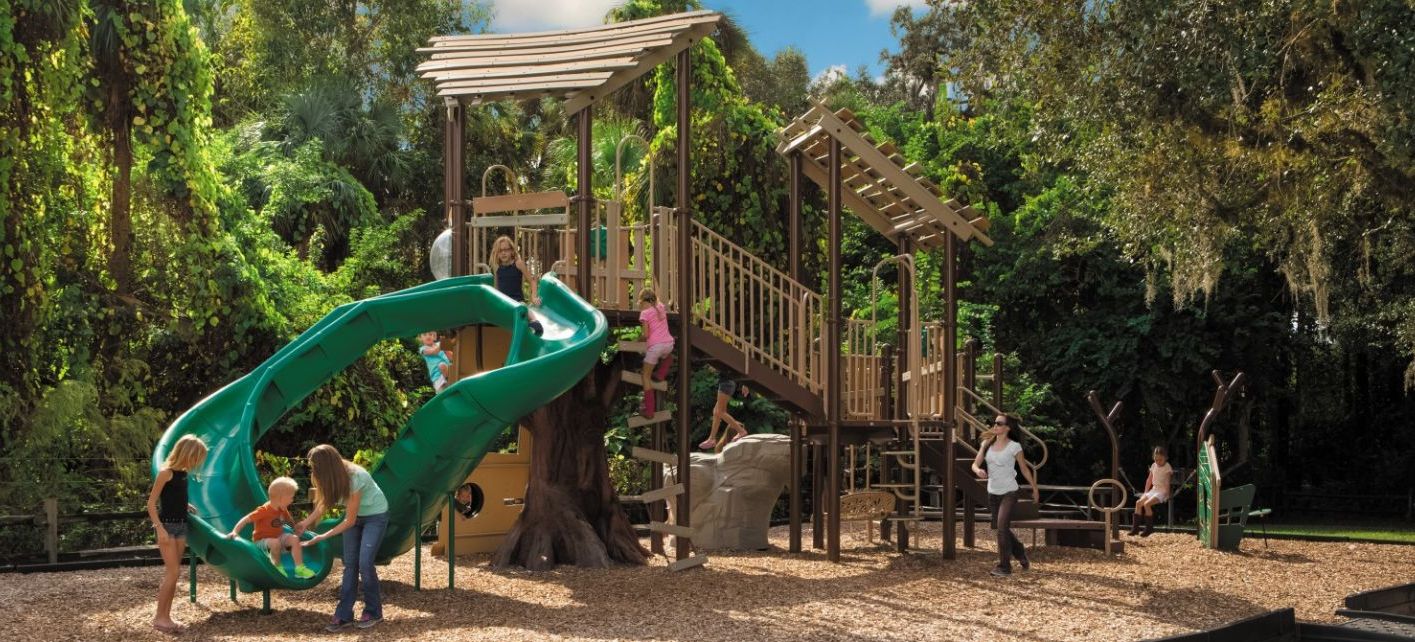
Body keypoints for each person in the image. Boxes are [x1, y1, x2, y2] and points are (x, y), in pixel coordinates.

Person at [298, 445, 389, 631]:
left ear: (327, 466)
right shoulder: (329, 477)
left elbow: (349, 521)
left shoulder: (356, 477)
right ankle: (344, 615)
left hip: (375, 516)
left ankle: (374, 612)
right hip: (355, 517)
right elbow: (324, 503)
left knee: (364, 563)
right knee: (350, 563)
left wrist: (321, 536)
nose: (313, 470)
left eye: (315, 466)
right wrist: (305, 523)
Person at [145, 434, 208, 634]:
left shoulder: (183, 474)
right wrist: (160, 529)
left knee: (174, 574)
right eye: (196, 457)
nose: (198, 462)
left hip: (181, 526)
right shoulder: (166, 473)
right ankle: (159, 618)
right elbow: (151, 504)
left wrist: (186, 505)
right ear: (187, 454)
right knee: (172, 573)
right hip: (167, 527)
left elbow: (173, 497)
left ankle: (166, 617)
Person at [970, 414, 1039, 577]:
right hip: (992, 493)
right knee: (1002, 528)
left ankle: (1004, 567)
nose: (995, 425)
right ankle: (1020, 551)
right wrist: (978, 470)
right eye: (994, 422)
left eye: (999, 423)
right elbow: (974, 463)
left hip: (1009, 492)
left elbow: (1024, 469)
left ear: (1008, 428)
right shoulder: (986, 444)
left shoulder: (1014, 447)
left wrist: (1034, 489)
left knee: (1001, 529)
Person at [226, 477, 316, 578]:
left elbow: (289, 521)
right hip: (261, 542)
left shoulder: (282, 509)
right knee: (275, 542)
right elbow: (245, 519)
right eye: (291, 497)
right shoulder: (264, 510)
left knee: (294, 539)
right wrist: (235, 532)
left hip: (278, 538)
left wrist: (295, 528)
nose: (292, 500)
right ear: (281, 498)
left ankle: (300, 569)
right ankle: (277, 567)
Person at [491, 235, 544, 336]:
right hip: (505, 303)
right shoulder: (497, 268)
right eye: (500, 251)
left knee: (523, 306)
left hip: (517, 301)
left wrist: (533, 296)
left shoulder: (518, 264)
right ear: (497, 254)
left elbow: (532, 281)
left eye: (506, 250)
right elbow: (497, 288)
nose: (503, 253)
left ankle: (534, 321)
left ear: (511, 251)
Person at [637, 288, 674, 416]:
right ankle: (660, 374)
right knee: (667, 356)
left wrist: (638, 340)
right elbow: (665, 303)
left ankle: (649, 410)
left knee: (645, 376)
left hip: (656, 347)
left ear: (641, 301)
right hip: (669, 344)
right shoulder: (660, 307)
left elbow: (646, 335)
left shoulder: (645, 314)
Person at [700, 373, 750, 453]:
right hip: (726, 383)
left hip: (726, 384)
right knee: (716, 411)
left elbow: (739, 367)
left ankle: (741, 431)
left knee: (720, 412)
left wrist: (745, 384)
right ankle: (712, 439)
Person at [1130, 446, 1173, 537]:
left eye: (1160, 460)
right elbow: (1149, 479)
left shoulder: (1167, 467)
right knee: (1138, 503)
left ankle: (1149, 528)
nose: (1158, 462)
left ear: (1165, 457)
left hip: (1162, 491)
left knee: (1147, 504)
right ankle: (1135, 529)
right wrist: (1145, 492)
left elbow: (1167, 482)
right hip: (1154, 490)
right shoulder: (1154, 465)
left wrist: (1167, 494)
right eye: (1156, 459)